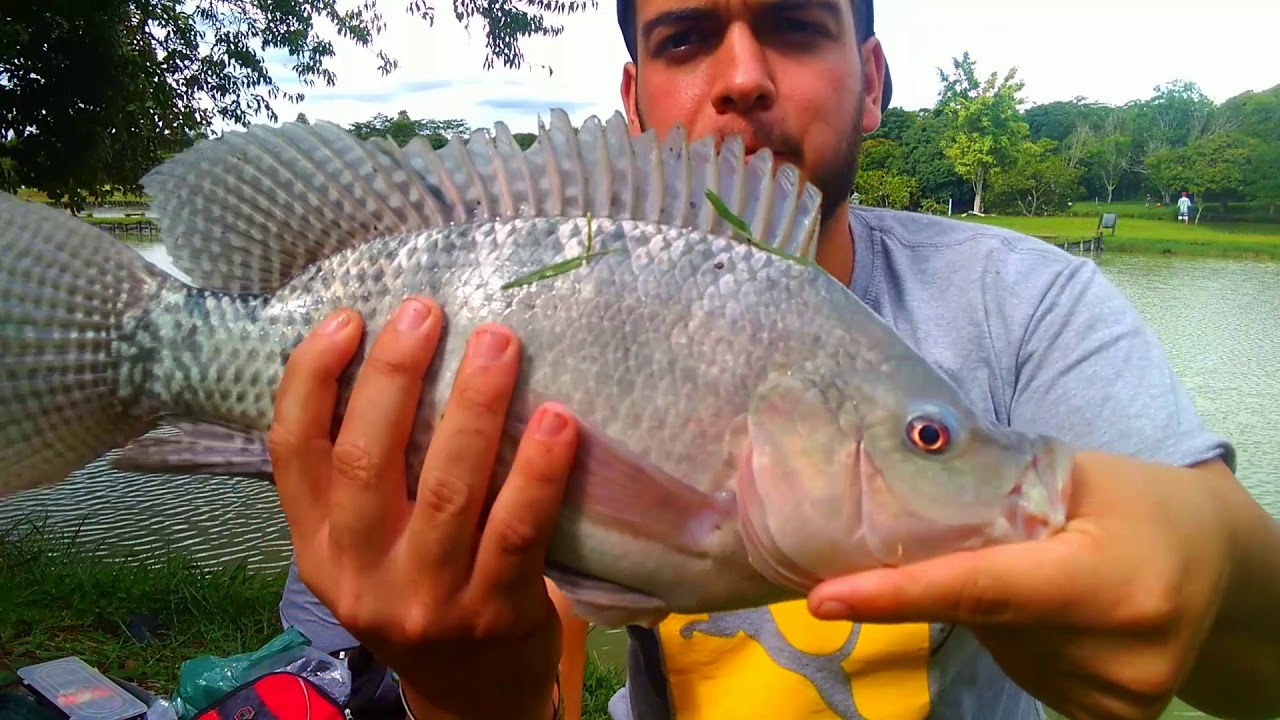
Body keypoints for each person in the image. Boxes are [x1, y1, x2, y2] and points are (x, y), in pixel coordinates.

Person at [267, 0, 1280, 718]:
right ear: (631, 99)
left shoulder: (1025, 307)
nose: (742, 77)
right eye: (686, 36)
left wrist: (1217, 564)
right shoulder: (548, 304)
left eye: (793, 25)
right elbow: (534, 687)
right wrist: (461, 692)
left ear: (870, 80)